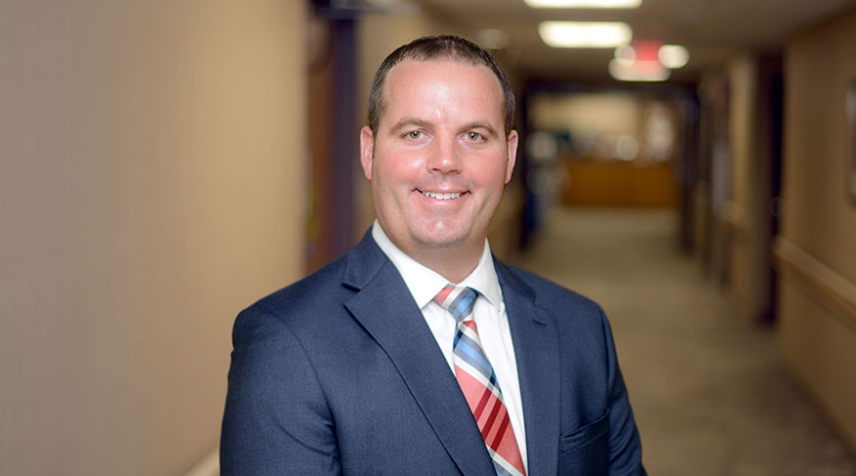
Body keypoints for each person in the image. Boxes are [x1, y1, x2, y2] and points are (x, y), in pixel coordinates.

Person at [220, 34, 646, 476]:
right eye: (415, 133)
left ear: (509, 156)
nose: (445, 161)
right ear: (369, 152)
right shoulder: (287, 345)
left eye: (474, 135)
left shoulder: (580, 327)